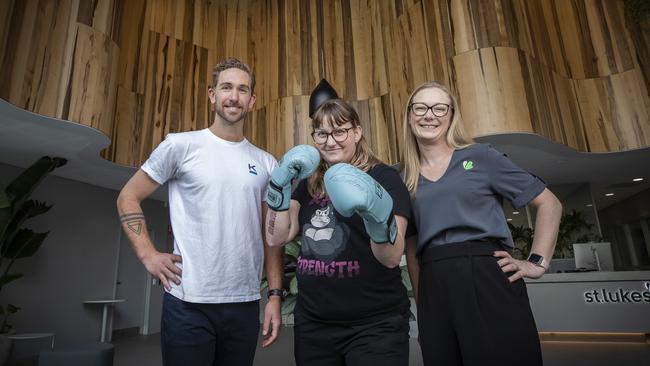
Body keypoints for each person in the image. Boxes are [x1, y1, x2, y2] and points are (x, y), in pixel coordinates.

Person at [116, 57, 284, 366]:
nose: (234, 96)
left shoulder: (266, 163)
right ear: (212, 95)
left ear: (252, 100)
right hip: (188, 304)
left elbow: (271, 236)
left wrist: (274, 295)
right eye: (226, 88)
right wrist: (148, 255)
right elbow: (128, 197)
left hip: (245, 303)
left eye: (242, 89)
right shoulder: (180, 146)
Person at [400, 81, 563, 366]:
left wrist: (536, 262)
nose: (430, 115)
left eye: (439, 108)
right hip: (434, 282)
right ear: (410, 115)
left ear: (451, 115)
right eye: (421, 107)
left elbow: (549, 203)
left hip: (486, 272)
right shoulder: (405, 177)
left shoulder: (480, 156)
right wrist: (422, 304)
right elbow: (412, 250)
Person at [264, 79, 412, 366]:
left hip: (375, 324)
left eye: (340, 131)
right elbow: (277, 237)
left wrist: (375, 213)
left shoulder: (384, 178)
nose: (330, 142)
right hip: (314, 325)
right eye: (322, 134)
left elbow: (392, 258)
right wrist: (278, 187)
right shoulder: (307, 184)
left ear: (357, 132)